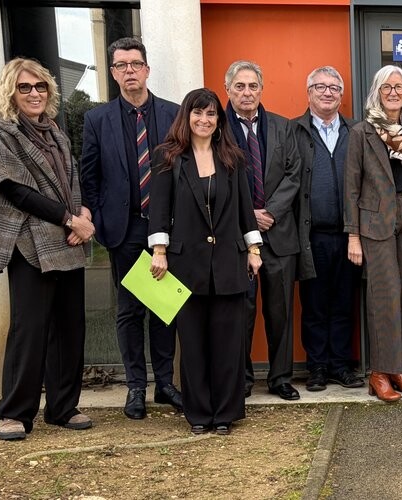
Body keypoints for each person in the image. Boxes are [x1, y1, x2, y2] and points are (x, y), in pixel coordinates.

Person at [0, 58, 95, 440]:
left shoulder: (56, 133)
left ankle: (63, 407)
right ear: (11, 93)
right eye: (25, 88)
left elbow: (72, 181)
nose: (34, 94)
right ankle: (12, 411)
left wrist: (82, 215)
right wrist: (70, 219)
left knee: (69, 327)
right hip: (29, 242)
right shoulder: (1, 132)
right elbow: (14, 190)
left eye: (40, 87)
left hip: (66, 241)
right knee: (30, 329)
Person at [147, 88, 263, 435]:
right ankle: (198, 413)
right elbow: (159, 210)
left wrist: (254, 250)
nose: (204, 120)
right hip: (186, 265)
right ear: (187, 116)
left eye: (211, 114)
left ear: (218, 120)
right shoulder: (167, 157)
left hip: (229, 261)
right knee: (193, 343)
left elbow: (245, 208)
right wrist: (159, 251)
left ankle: (225, 413)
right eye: (198, 113)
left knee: (228, 343)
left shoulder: (233, 157)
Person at [80, 37, 182, 418]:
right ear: (112, 73)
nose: (129, 72)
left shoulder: (173, 115)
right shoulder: (96, 119)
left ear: (147, 69)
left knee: (164, 308)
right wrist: (99, 220)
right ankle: (136, 387)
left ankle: (166, 385)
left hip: (166, 231)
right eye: (121, 65)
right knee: (129, 311)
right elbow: (89, 177)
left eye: (135, 64)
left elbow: (182, 173)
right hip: (123, 231)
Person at [344, 65, 402, 402]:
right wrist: (353, 236)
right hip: (375, 224)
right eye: (387, 87)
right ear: (377, 93)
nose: (393, 92)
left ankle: (398, 368)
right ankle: (379, 373)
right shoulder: (361, 134)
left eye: (399, 87)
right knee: (385, 295)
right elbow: (351, 189)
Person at [222, 61, 303, 401]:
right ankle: (240, 380)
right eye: (239, 86)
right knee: (241, 310)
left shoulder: (283, 127)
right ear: (228, 90)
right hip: (236, 238)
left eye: (252, 86)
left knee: (280, 310)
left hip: (279, 234)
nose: (246, 92)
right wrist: (248, 217)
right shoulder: (216, 127)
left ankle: (280, 377)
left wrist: (269, 212)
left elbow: (294, 174)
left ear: (261, 89)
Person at [294, 66, 365, 392]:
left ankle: (340, 364)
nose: (327, 92)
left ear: (341, 94)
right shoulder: (294, 131)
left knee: (344, 302)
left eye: (334, 87)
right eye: (320, 87)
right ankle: (317, 367)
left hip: (350, 235)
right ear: (309, 92)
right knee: (315, 303)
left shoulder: (357, 131)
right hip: (312, 236)